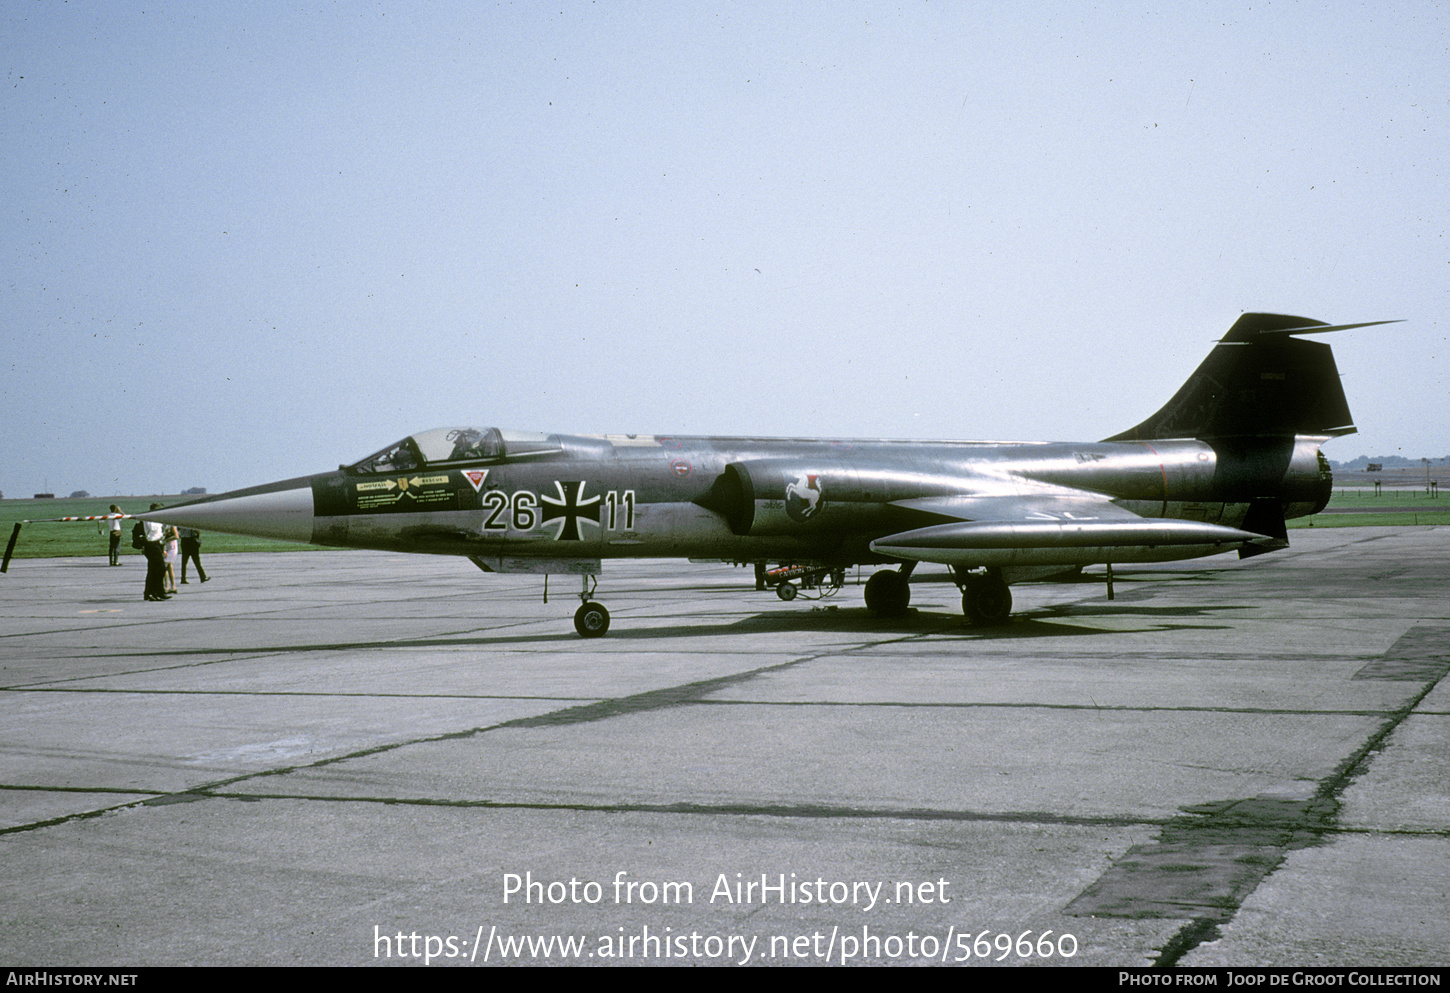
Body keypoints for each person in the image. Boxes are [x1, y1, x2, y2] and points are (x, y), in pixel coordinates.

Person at [142, 504, 169, 601]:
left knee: (155, 570)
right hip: (151, 544)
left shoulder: (159, 520)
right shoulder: (147, 519)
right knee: (160, 569)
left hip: (158, 544)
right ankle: (153, 592)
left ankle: (157, 592)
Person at [163, 524, 180, 594]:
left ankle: (166, 586)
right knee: (169, 567)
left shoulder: (171, 525)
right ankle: (173, 586)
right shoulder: (163, 525)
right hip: (167, 547)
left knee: (164, 566)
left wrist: (165, 540)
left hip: (172, 548)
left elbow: (176, 536)